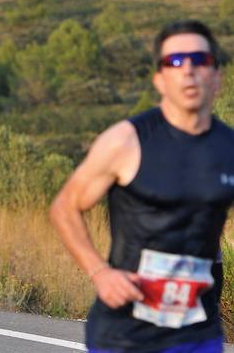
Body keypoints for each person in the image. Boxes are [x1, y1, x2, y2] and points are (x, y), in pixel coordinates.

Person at [50, 20, 234, 353]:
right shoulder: (125, 142)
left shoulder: (229, 148)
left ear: (217, 76)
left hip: (198, 331)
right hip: (127, 334)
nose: (188, 70)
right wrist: (99, 272)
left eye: (200, 60)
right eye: (175, 62)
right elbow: (65, 207)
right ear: (159, 80)